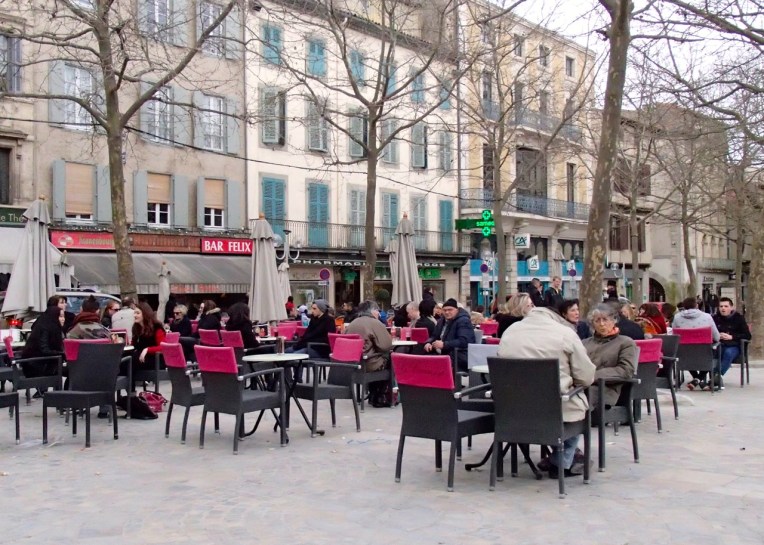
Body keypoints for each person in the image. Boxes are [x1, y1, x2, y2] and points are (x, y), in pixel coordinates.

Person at [497, 304, 595, 477]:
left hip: (513, 410)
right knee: (579, 406)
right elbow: (586, 377)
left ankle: (559, 458)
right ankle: (560, 463)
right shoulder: (565, 333)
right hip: (555, 409)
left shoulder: (510, 332)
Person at [582, 304, 638, 410]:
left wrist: (593, 376)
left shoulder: (625, 342)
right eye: (597, 320)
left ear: (613, 321)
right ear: (593, 324)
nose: (602, 324)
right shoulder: (585, 343)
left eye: (605, 320)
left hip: (606, 388)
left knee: (583, 395)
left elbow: (625, 370)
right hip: (582, 384)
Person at [672, 296, 720, 391]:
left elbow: (674, 335)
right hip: (704, 353)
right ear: (697, 305)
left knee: (686, 350)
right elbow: (716, 337)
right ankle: (700, 379)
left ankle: (696, 379)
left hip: (684, 355)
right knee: (713, 353)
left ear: (684, 307)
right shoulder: (707, 317)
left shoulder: (677, 318)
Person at [424, 298, 475, 372]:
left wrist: (444, 344)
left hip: (459, 355)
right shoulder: (442, 320)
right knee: (423, 358)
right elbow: (434, 336)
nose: (447, 312)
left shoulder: (463, 321)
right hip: (445, 352)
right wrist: (428, 342)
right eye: (444, 310)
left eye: (450, 310)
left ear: (457, 310)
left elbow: (464, 341)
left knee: (430, 363)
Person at [713, 297, 751, 389]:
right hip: (719, 343)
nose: (723, 308)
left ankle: (716, 375)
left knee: (728, 353)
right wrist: (717, 335)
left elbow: (747, 335)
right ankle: (710, 377)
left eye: (726, 306)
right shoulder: (714, 318)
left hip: (734, 345)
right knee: (711, 351)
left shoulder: (739, 318)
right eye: (721, 306)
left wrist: (732, 336)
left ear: (731, 307)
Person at [345, 300, 393, 373]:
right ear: (372, 311)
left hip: (352, 364)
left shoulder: (352, 323)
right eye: (377, 310)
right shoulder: (375, 323)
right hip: (368, 364)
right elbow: (386, 346)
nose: (379, 313)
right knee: (391, 356)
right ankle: (390, 384)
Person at [20, 305, 65, 377]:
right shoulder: (45, 329)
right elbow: (45, 350)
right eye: (60, 316)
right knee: (72, 371)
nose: (63, 319)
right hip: (36, 366)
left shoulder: (48, 326)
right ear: (53, 316)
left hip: (41, 363)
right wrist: (62, 354)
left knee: (71, 370)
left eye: (63, 316)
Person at [126, 302, 166, 376]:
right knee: (122, 359)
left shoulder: (157, 328)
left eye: (137, 313)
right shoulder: (136, 328)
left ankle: (128, 386)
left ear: (145, 314)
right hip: (140, 357)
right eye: (134, 313)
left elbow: (163, 347)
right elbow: (133, 345)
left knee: (130, 362)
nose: (135, 315)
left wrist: (147, 349)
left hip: (155, 359)